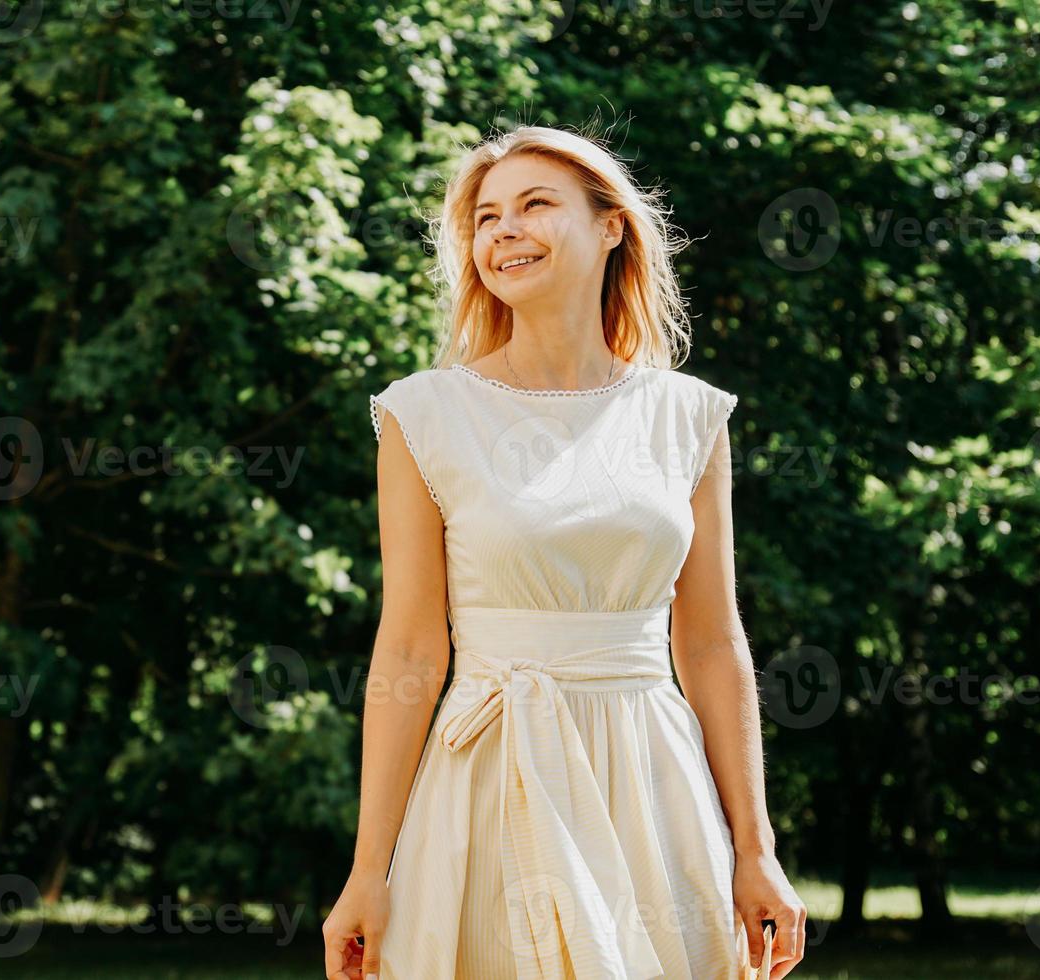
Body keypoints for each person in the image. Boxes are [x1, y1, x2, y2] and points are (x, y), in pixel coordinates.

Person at [322, 126, 806, 980]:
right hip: (488, 774)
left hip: (654, 784)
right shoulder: (422, 414)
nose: (504, 230)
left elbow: (710, 643)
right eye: (486, 216)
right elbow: (407, 648)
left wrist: (755, 848)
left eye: (536, 205)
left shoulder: (688, 415)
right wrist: (368, 870)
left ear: (611, 226)